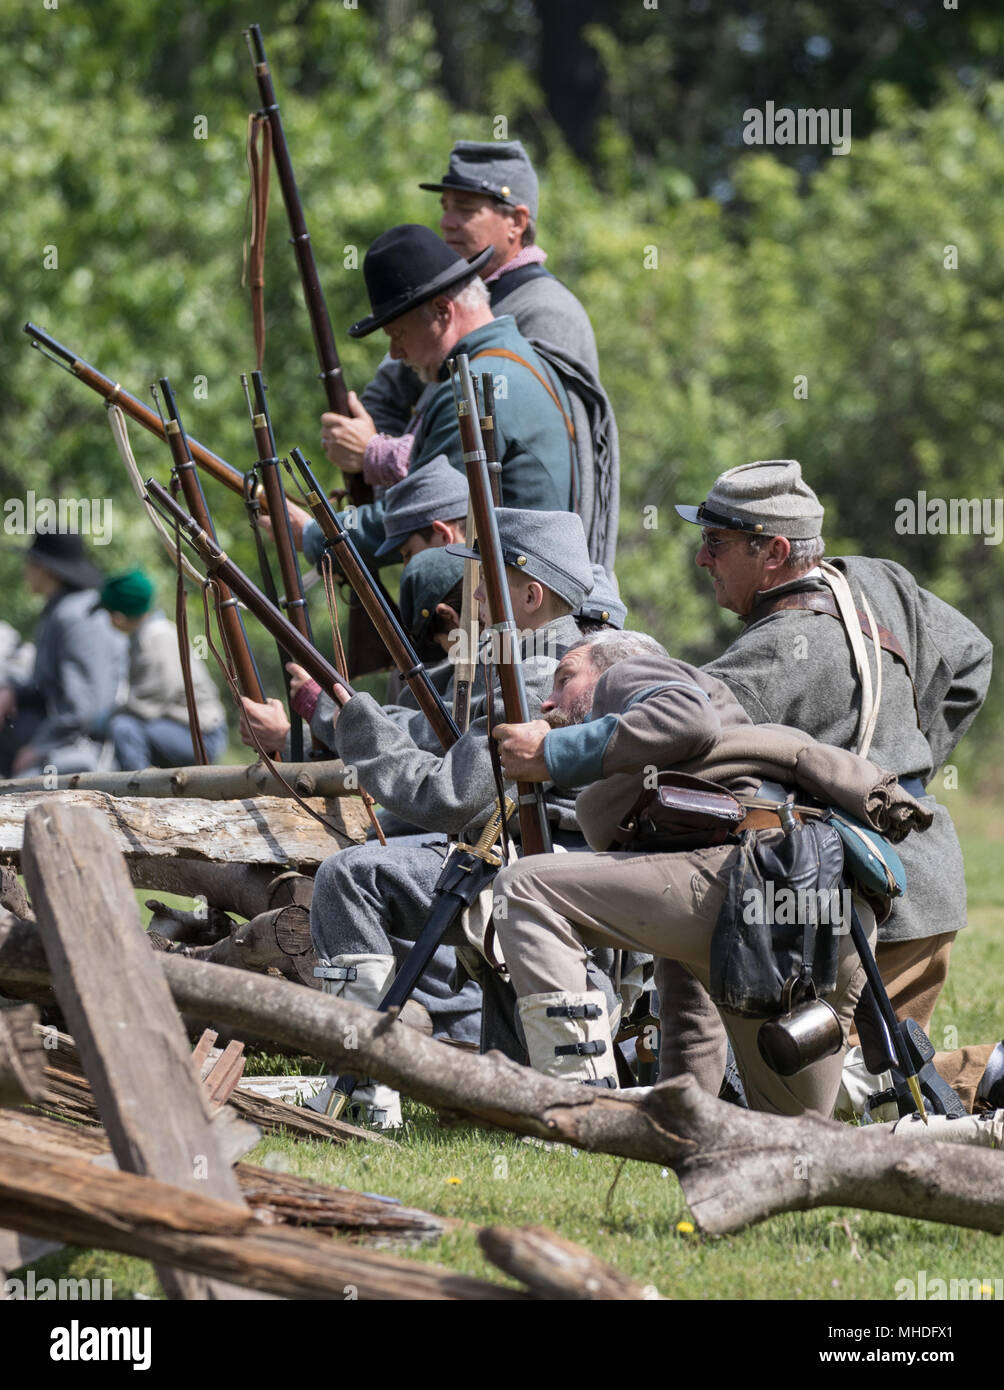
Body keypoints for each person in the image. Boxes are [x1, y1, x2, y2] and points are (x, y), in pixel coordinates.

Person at [238, 511, 616, 1123]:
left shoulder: (535, 672)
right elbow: (440, 736)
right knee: (498, 1102)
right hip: (561, 861)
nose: (472, 596)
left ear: (531, 593)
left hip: (534, 865)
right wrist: (338, 715)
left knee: (349, 875)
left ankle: (364, 1091)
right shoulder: (572, 655)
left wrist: (354, 723)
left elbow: (443, 795)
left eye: (485, 580)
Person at [666, 460, 993, 1108]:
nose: (702, 559)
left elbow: (668, 741)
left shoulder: (767, 657)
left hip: (868, 907)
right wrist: (905, 775)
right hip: (926, 881)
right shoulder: (878, 578)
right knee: (881, 1077)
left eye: (717, 542)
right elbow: (972, 657)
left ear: (776, 551)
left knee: (840, 1088)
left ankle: (997, 1072)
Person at [490, 645, 930, 1117]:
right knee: (788, 1138)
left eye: (565, 678)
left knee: (524, 887)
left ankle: (574, 1114)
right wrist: (676, 1125)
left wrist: (553, 752)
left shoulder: (627, 673)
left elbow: (685, 720)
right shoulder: (688, 816)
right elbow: (690, 1019)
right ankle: (972, 1138)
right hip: (827, 919)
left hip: (759, 878)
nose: (547, 702)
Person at [323, 140, 618, 573]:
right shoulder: (451, 303)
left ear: (516, 221)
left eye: (466, 208)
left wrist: (379, 457)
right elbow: (388, 389)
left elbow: (505, 444)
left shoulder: (545, 311)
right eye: (445, 207)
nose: (446, 221)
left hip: (537, 579)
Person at [287, 223, 577, 573]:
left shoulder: (473, 389)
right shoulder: (509, 362)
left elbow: (425, 517)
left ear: (443, 310)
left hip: (516, 611)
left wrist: (314, 535)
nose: (394, 353)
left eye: (399, 334)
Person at [0, 532, 126, 778]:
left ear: (46, 569)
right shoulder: (60, 610)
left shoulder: (77, 617)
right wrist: (12, 690)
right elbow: (45, 684)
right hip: (60, 732)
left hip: (81, 746)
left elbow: (83, 708)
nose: (26, 570)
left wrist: (36, 749)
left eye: (31, 563)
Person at [96, 568, 228, 770]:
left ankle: (138, 795)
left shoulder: (155, 639)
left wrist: (102, 721)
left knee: (123, 729)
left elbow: (145, 706)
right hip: (184, 729)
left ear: (119, 617)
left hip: (204, 736)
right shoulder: (149, 634)